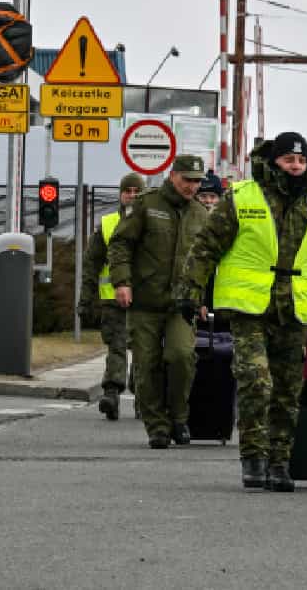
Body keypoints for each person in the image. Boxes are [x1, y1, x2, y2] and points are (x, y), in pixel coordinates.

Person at [176, 133, 307, 492]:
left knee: (286, 392)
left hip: (294, 309)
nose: (294, 167)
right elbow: (206, 246)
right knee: (256, 382)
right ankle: (253, 457)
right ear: (274, 161)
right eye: (287, 160)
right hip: (250, 308)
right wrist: (190, 290)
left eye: (300, 161)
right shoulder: (243, 196)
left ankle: (279, 462)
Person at [107, 155, 210, 449]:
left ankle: (178, 416)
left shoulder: (201, 214)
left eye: (196, 181)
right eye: (187, 179)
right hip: (145, 301)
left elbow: (207, 260)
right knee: (146, 364)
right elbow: (120, 244)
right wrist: (122, 282)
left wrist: (201, 296)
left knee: (181, 356)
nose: (192, 186)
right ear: (172, 176)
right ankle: (157, 426)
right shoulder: (146, 204)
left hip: (182, 303)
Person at [81, 172, 147, 421]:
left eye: (136, 192)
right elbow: (92, 263)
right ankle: (111, 394)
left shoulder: (152, 222)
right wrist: (85, 298)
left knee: (143, 349)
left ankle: (143, 397)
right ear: (120, 194)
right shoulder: (108, 223)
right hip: (112, 299)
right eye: (127, 191)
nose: (131, 196)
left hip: (144, 299)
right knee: (117, 347)